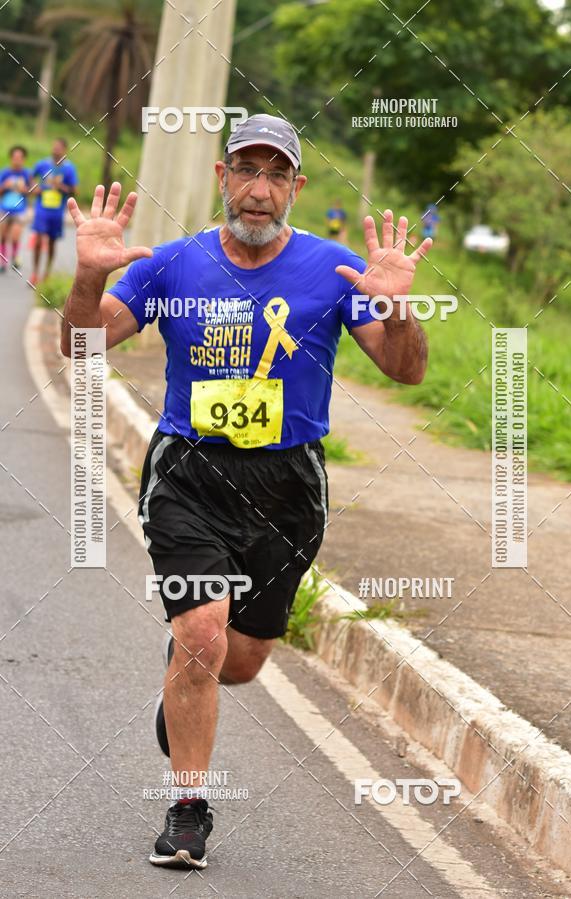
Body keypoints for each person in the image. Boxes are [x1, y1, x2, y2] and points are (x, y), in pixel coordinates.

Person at [60, 113, 432, 870]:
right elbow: (80, 341)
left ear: (295, 186)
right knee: (203, 635)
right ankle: (189, 807)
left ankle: (186, 670)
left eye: (275, 174)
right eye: (245, 170)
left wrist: (397, 303)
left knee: (240, 658)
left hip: (289, 485)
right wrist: (91, 274)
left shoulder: (333, 271)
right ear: (221, 177)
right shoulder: (172, 264)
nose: (258, 190)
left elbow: (407, 370)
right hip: (191, 475)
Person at [30, 137, 78, 285]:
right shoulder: (43, 164)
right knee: (38, 240)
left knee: (51, 242)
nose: (55, 150)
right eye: (54, 147)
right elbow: (31, 178)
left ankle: (47, 273)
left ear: (65, 150)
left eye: (59, 148)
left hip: (57, 211)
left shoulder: (69, 169)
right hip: (41, 209)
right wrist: (35, 188)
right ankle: (35, 273)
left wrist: (61, 187)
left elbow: (75, 191)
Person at [0, 145, 31, 272]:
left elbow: (32, 191)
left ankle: (15, 256)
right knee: (2, 236)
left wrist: (24, 189)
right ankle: (3, 261)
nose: (17, 160)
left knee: (15, 236)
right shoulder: (5, 173)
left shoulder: (26, 173)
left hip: (19, 210)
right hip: (5, 208)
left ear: (23, 159)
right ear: (11, 158)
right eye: (15, 157)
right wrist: (6, 186)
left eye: (20, 158)